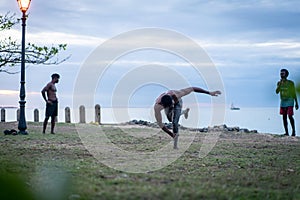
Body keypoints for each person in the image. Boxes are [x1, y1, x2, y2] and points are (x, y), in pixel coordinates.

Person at [154, 87, 221, 149]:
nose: (172, 106)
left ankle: (175, 145)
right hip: (167, 103)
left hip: (177, 102)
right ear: (163, 106)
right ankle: (185, 111)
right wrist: (171, 134)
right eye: (170, 106)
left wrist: (209, 92)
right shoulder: (157, 107)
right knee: (170, 119)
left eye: (172, 104)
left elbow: (192, 89)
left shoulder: (178, 94)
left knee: (175, 122)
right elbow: (160, 123)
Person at [276, 69, 298, 136]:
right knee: (284, 117)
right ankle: (286, 132)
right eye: (281, 73)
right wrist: (279, 85)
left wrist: (296, 102)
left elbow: (294, 92)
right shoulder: (279, 83)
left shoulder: (291, 83)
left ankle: (293, 131)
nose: (281, 74)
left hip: (290, 101)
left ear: (286, 74)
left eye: (283, 73)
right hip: (283, 101)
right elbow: (277, 92)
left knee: (290, 116)